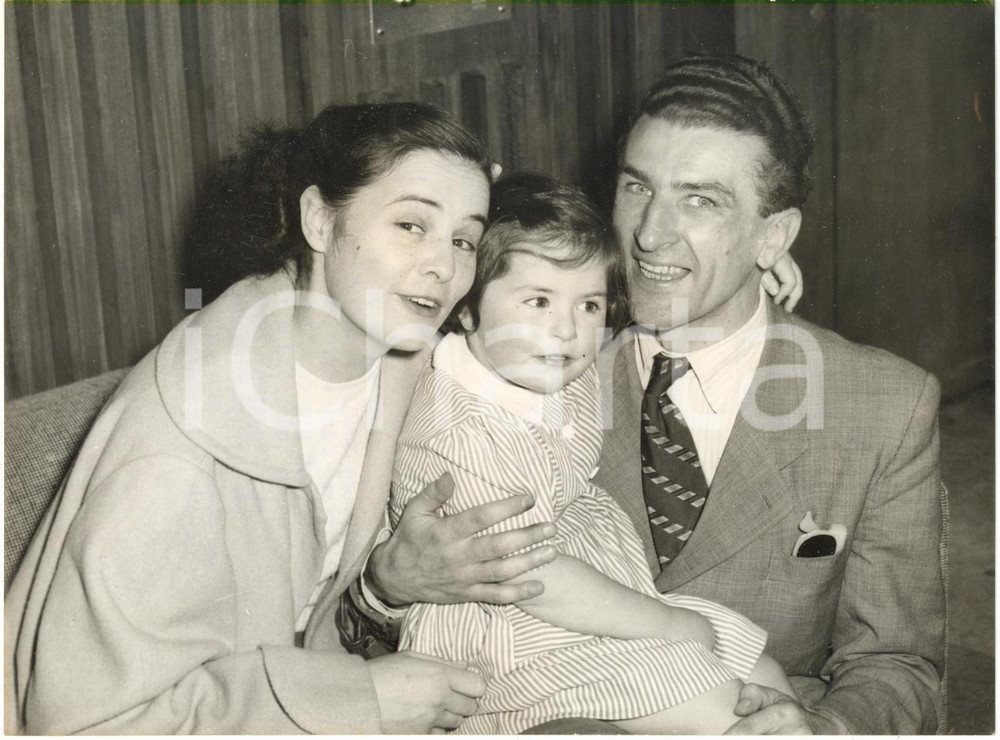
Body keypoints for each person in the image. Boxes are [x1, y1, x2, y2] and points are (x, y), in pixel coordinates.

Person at [347, 54, 946, 735]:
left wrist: (829, 729)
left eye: (701, 200)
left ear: (773, 236)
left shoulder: (886, 406)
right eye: (637, 188)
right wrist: (387, 587)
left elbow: (899, 664)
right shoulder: (529, 353)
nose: (650, 233)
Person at [3, 102, 557, 734]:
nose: (445, 266)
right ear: (320, 220)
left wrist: (383, 586)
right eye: (411, 225)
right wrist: (359, 699)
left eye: (464, 238)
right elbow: (87, 728)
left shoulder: (400, 362)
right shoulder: (178, 450)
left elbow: (305, 605)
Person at [388, 172, 795, 734]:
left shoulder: (543, 364)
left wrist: (752, 263)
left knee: (771, 680)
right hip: (519, 635)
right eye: (538, 301)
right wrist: (667, 624)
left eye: (588, 306)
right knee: (725, 713)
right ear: (465, 309)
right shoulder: (459, 438)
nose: (567, 330)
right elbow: (537, 579)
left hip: (602, 598)